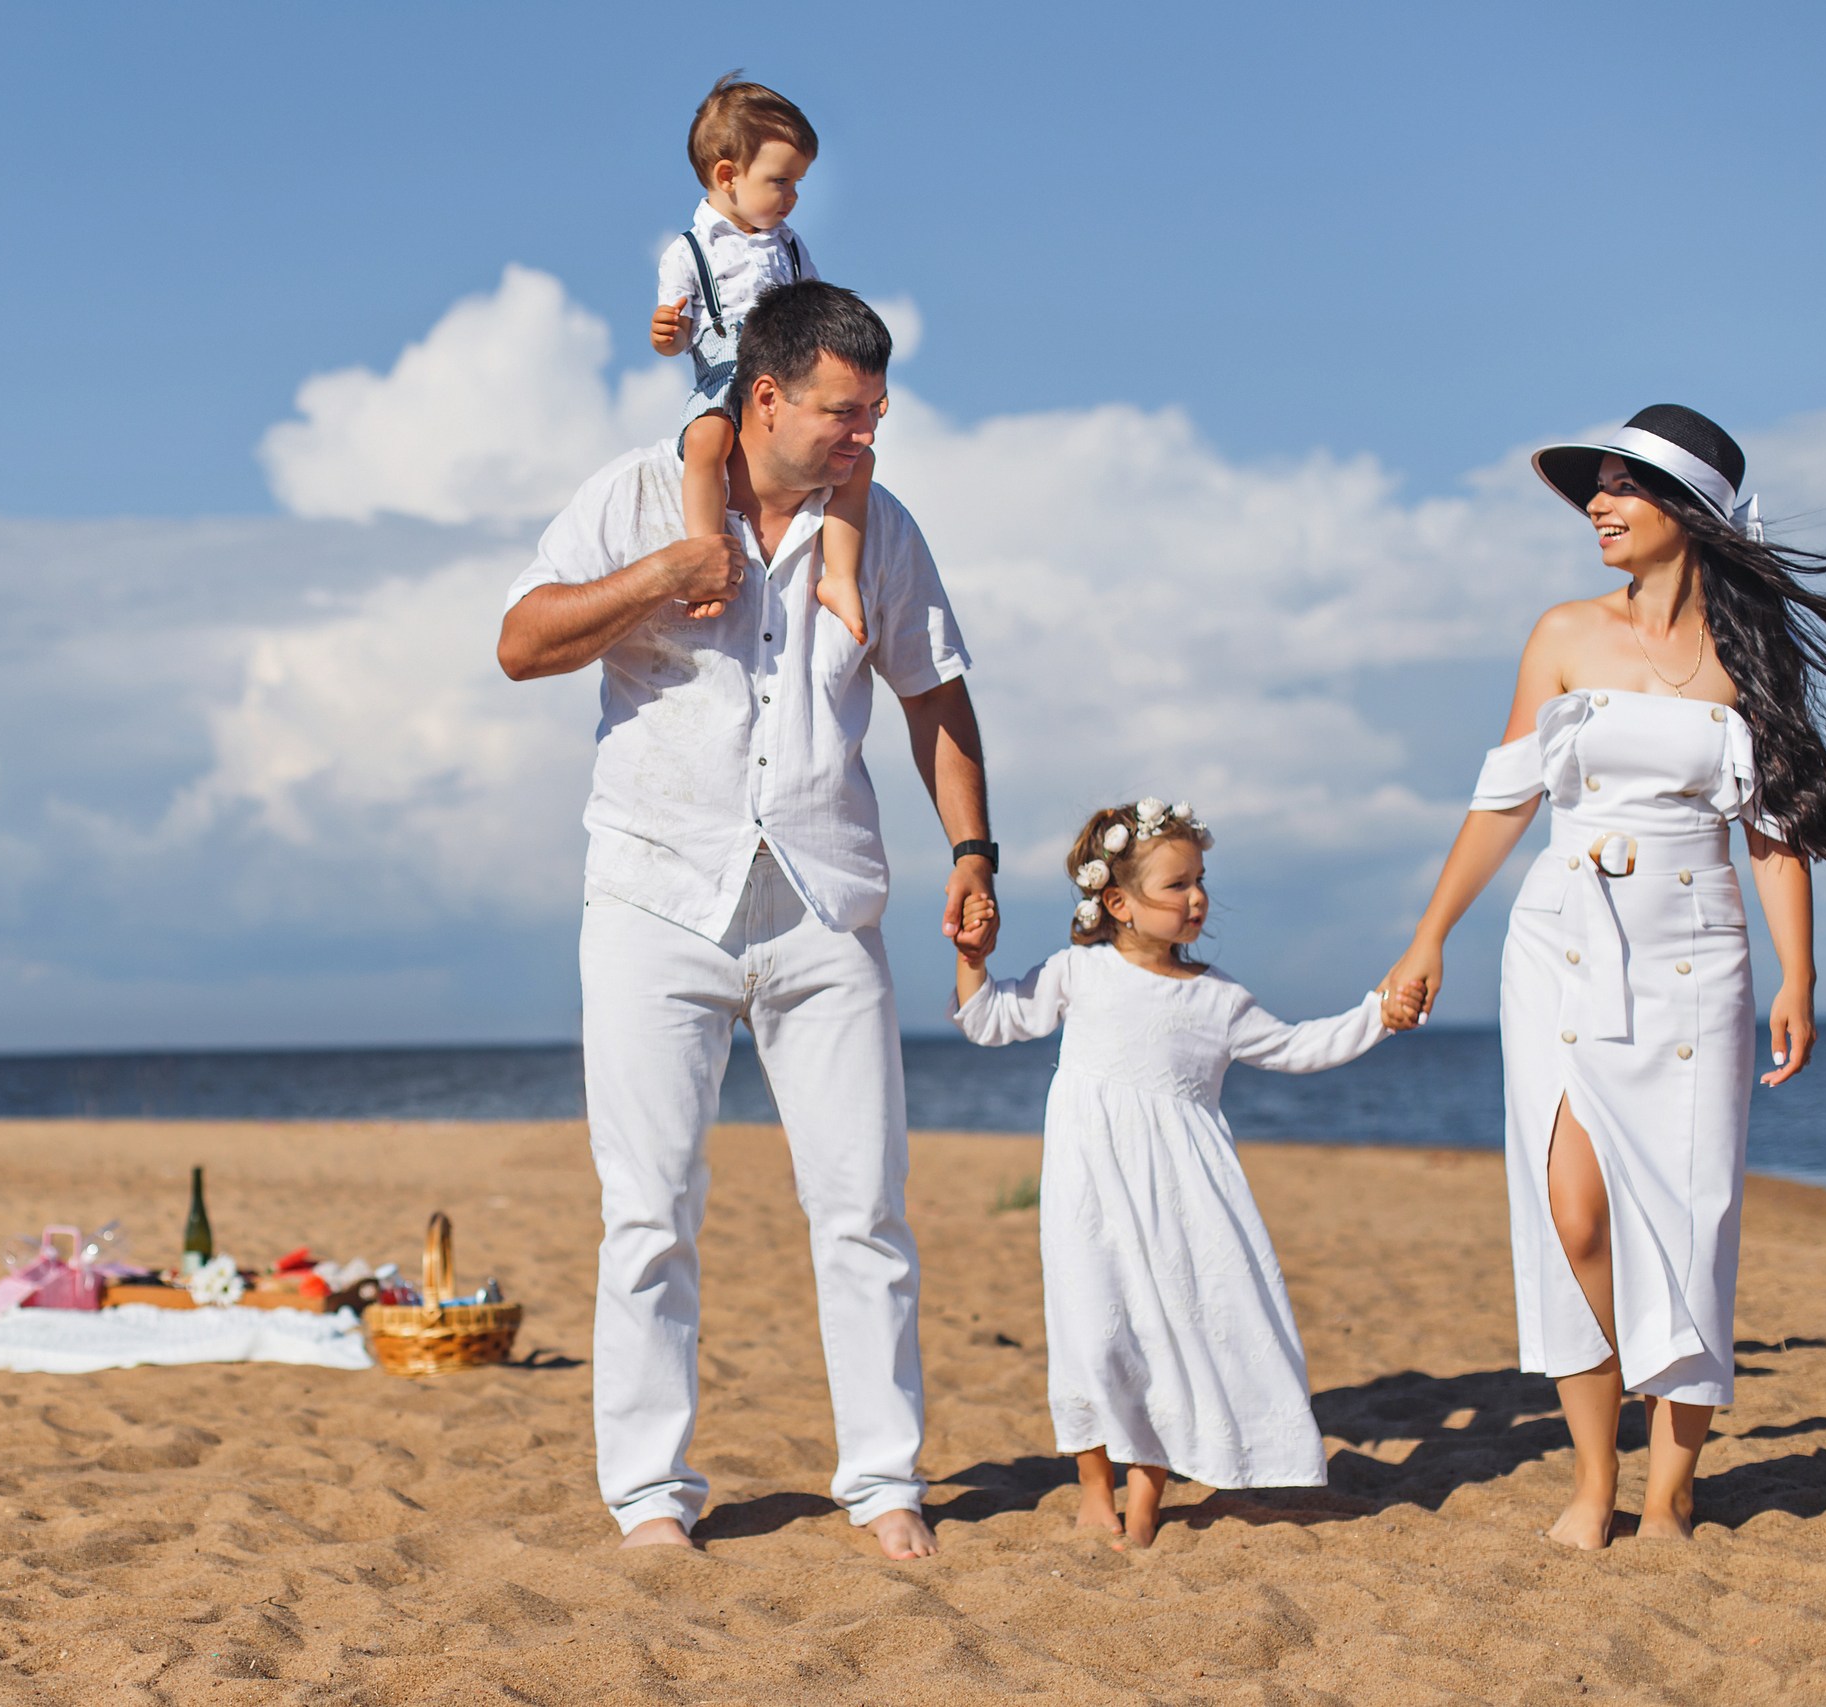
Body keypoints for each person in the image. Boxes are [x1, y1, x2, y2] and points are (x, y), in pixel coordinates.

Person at [497, 279, 995, 1560]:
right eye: (843, 412)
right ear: (763, 397)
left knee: (865, 1207)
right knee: (651, 1210)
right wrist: (666, 570)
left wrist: (972, 849)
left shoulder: (878, 528)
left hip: (827, 901)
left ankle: (884, 1481)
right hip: (656, 896)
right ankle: (650, 1495)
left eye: (876, 413)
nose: (863, 438)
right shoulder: (632, 493)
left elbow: (932, 695)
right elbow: (520, 642)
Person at [1379, 404, 1826, 1548]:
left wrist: (1801, 977)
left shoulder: (1752, 657)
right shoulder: (1563, 633)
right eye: (1597, 486)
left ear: (1692, 513)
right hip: (1561, 938)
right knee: (1569, 1213)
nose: (1599, 505)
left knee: (1687, 1220)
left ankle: (1670, 1492)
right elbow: (1504, 798)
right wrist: (1430, 934)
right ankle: (1594, 1481)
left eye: (1626, 487)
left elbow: (1774, 831)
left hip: (1696, 947)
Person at [951, 799, 1422, 1548]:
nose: (1197, 896)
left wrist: (1377, 1014)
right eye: (1176, 885)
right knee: (1093, 1332)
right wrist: (972, 956)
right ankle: (1092, 1486)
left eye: (1200, 880)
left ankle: (1145, 1496)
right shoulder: (1078, 973)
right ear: (1119, 903)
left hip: (1182, 1196)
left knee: (1165, 1334)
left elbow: (1301, 1047)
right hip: (1087, 1192)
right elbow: (988, 1021)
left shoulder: (1219, 999)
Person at [648, 74, 870, 646]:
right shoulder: (689, 252)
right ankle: (704, 556)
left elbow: (820, 316)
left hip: (792, 371)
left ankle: (839, 575)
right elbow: (678, 338)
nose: (793, 196)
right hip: (726, 374)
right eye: (781, 181)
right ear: (728, 175)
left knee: (856, 460)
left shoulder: (792, 246)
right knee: (705, 443)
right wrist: (668, 335)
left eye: (798, 182)